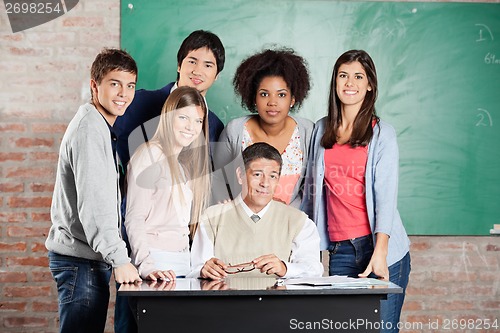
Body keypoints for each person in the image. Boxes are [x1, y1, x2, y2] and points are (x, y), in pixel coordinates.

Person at [112, 30, 225, 332]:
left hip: (180, 263)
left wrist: (198, 263)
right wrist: (146, 264)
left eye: (209, 64)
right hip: (148, 259)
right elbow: (133, 216)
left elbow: (185, 219)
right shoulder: (145, 137)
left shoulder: (192, 157)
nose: (198, 70)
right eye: (192, 60)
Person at [301, 50, 411, 332]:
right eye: (343, 75)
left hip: (377, 247)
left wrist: (381, 251)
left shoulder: (382, 133)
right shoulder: (322, 129)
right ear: (335, 82)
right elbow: (311, 192)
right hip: (340, 251)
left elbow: (386, 195)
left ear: (370, 84)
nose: (350, 83)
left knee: (382, 329)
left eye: (358, 76)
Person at [45, 48, 142, 333]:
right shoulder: (90, 130)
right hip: (81, 263)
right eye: (115, 84)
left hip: (86, 262)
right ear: (94, 85)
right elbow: (95, 205)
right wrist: (120, 259)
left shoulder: (98, 126)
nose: (124, 93)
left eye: (130, 85)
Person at [190, 142, 323, 280]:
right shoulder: (212, 217)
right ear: (240, 175)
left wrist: (284, 268)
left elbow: (314, 269)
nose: (265, 183)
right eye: (257, 174)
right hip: (226, 300)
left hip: (277, 300)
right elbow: (195, 269)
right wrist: (203, 270)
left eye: (272, 176)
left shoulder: (298, 221)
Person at [125, 86, 210, 281]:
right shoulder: (149, 155)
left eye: (198, 121)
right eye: (183, 117)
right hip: (156, 265)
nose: (191, 127)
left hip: (183, 266)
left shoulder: (182, 167)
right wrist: (147, 267)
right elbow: (134, 217)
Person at [213, 48, 313, 208]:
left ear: (293, 99)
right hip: (242, 222)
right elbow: (217, 178)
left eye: (281, 95)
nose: (272, 102)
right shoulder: (235, 131)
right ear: (254, 98)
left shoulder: (308, 132)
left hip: (288, 224)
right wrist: (230, 209)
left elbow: (313, 188)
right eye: (264, 94)